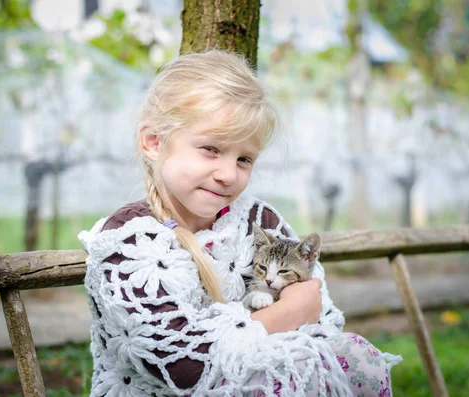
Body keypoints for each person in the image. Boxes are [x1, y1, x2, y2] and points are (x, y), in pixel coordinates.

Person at [78, 50, 401, 397]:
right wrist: (284, 313)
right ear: (153, 142)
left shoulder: (257, 221)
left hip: (259, 375)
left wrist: (277, 317)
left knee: (355, 356)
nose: (228, 175)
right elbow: (184, 368)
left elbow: (321, 320)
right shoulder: (131, 242)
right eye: (210, 149)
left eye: (244, 158)